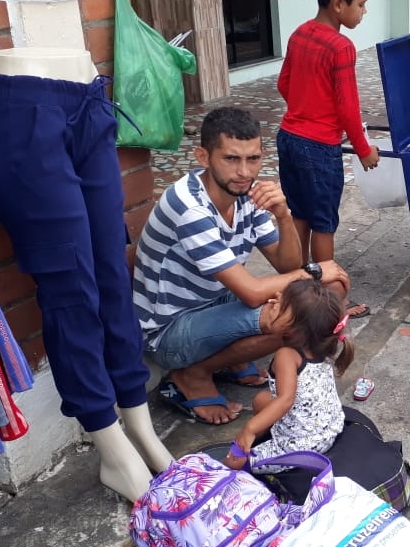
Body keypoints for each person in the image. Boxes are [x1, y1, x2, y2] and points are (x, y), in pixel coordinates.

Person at [0, 47, 173, 502]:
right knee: (71, 288)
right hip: (20, 114)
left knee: (112, 277)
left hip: (89, 96)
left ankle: (140, 428)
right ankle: (112, 448)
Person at [133, 107, 352, 426]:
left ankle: (230, 360)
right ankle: (193, 374)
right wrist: (316, 270)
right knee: (293, 317)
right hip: (168, 330)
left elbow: (286, 265)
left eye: (253, 159)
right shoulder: (189, 207)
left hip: (215, 302)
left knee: (329, 291)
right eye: (231, 159)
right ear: (203, 157)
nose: (245, 172)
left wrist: (283, 215)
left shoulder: (246, 193)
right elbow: (251, 293)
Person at [276, 0, 375, 318]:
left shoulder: (298, 34)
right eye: (361, 4)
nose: (364, 11)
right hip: (319, 148)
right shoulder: (340, 47)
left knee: (299, 215)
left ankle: (296, 289)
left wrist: (305, 110)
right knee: (323, 223)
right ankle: (331, 302)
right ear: (338, 5)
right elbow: (348, 108)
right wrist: (364, 149)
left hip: (288, 138)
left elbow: (283, 83)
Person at [223, 279, 354, 471]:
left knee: (236, 463)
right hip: (328, 429)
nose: (272, 302)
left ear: (293, 327)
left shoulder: (286, 355)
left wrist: (249, 429)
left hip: (300, 448)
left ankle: (231, 468)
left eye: (281, 305)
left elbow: (285, 400)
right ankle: (266, 433)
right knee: (262, 399)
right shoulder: (319, 347)